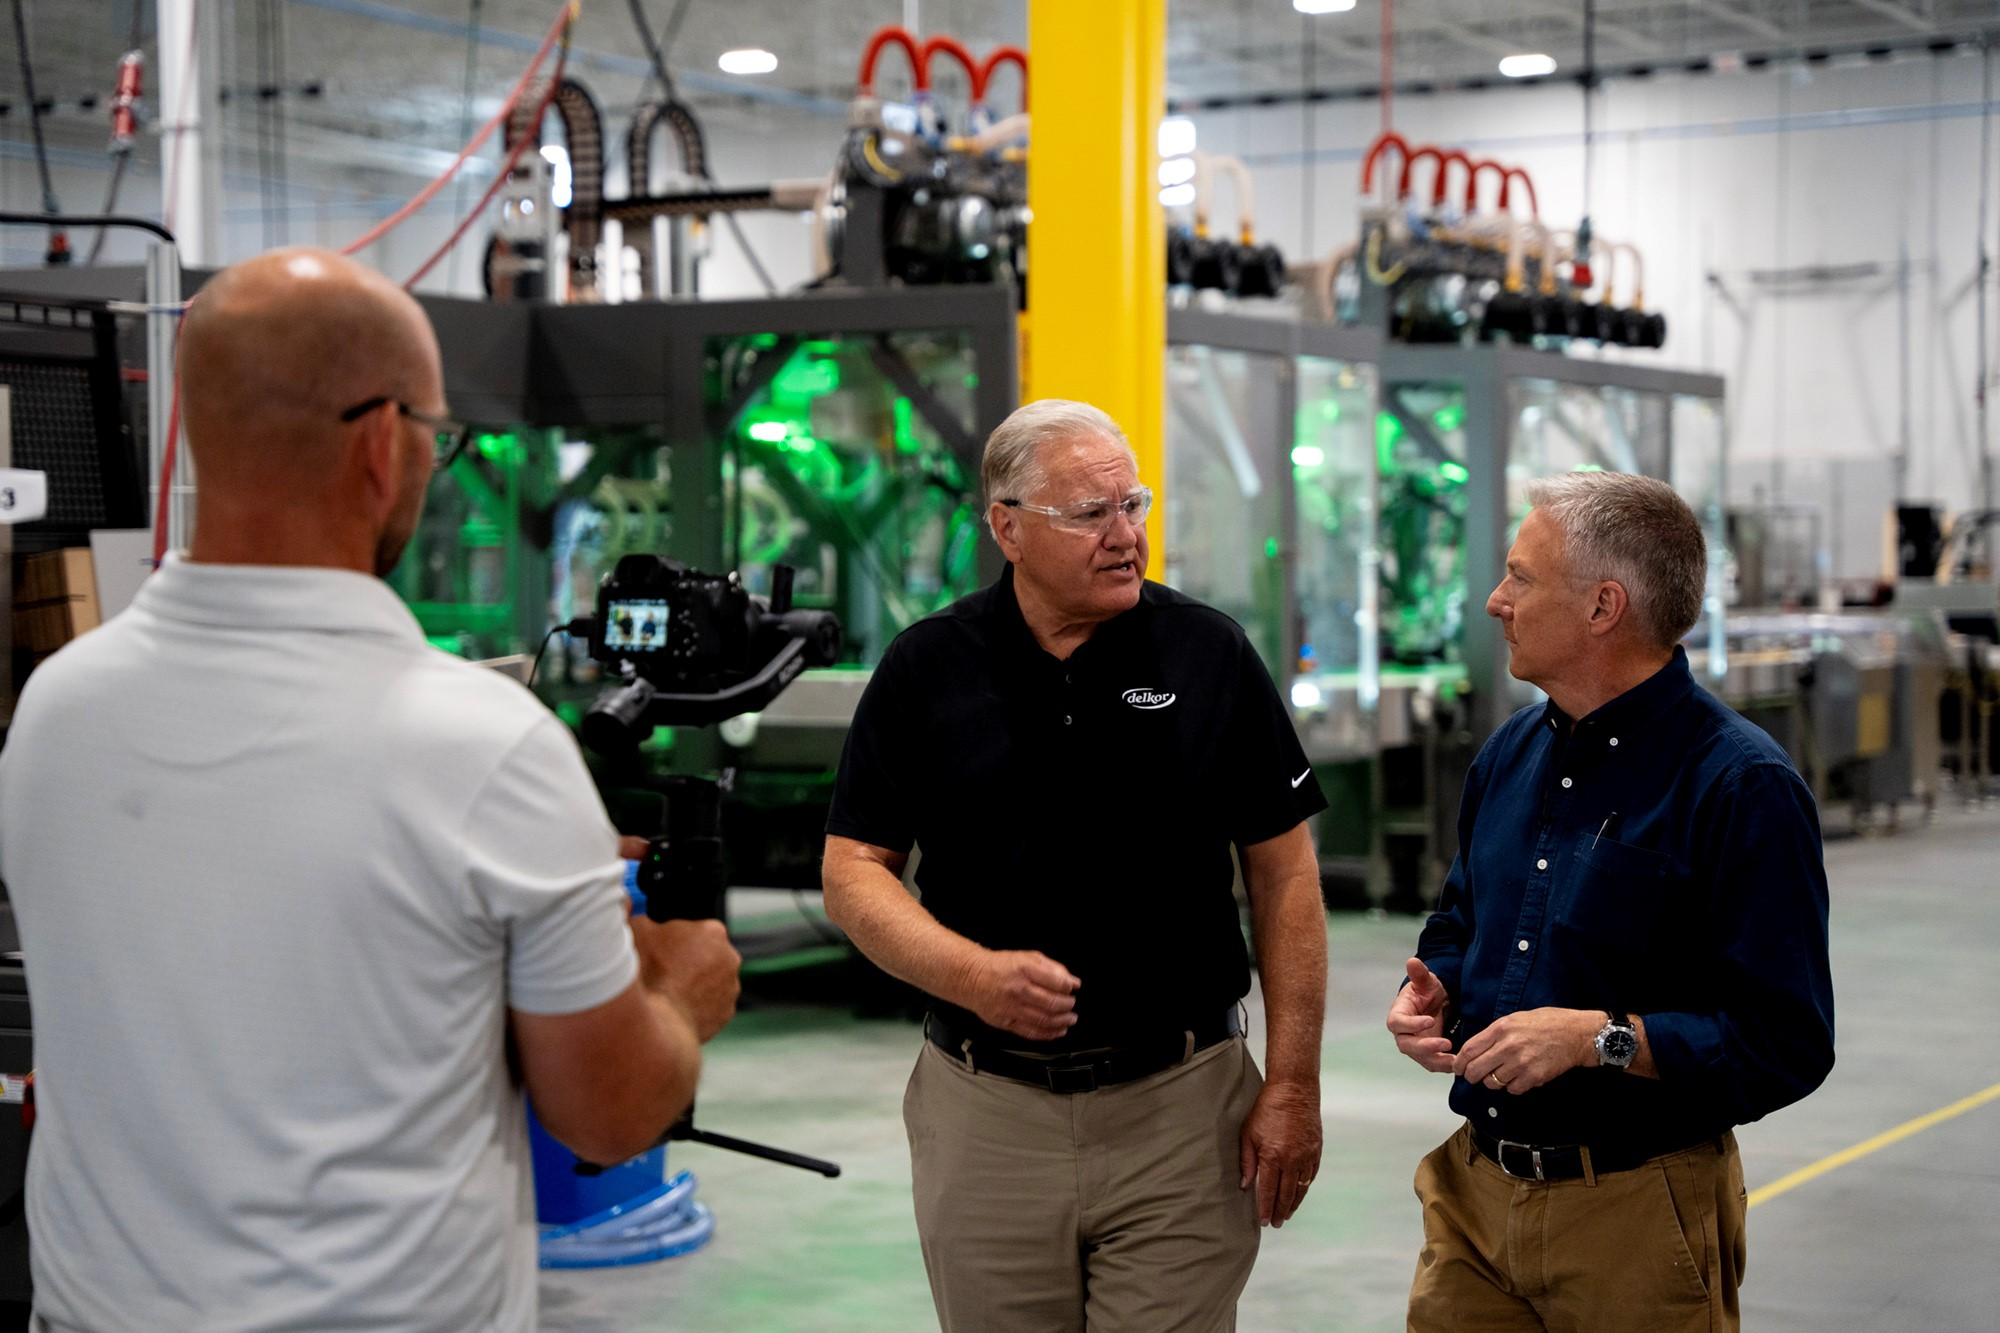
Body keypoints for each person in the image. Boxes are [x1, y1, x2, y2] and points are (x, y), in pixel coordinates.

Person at [0, 248, 740, 1333]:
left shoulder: (54, 712)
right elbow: (609, 1114)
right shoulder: (486, 747)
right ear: (383, 442)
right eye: (440, 433)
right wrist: (678, 991)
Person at [822, 399, 1329, 1333]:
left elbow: (1286, 874)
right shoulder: (928, 666)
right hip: (986, 1113)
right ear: (1008, 528)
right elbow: (853, 869)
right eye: (1091, 514)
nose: (1124, 535)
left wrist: (1293, 1082)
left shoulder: (1207, 652)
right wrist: (970, 974)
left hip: (1182, 1109)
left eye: (1133, 505)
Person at [1386, 472, 1835, 1333]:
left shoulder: (1740, 786)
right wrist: (1433, 987)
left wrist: (1600, 1038)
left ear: (1603, 606)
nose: (1496, 600)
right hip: (1474, 1200)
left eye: (1521, 577)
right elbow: (1461, 919)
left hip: (1635, 1211)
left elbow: (1787, 1041)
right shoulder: (1509, 755)